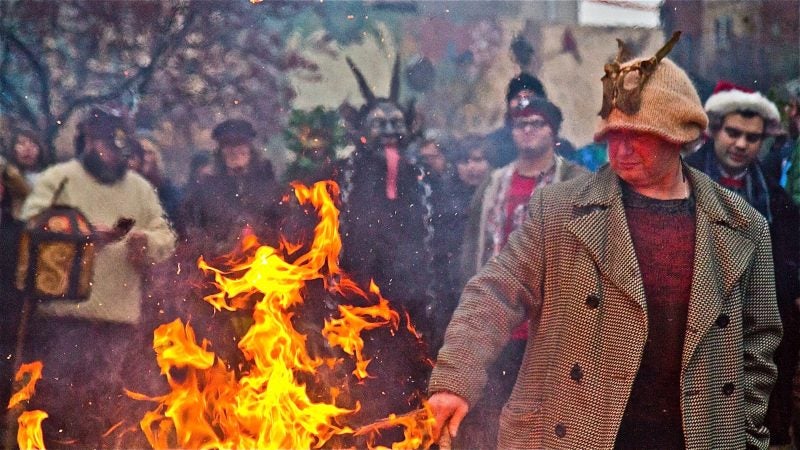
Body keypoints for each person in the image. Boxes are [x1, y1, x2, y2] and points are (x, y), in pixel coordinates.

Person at [428, 35, 781, 450]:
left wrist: (746, 431)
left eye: (636, 135)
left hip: (694, 436)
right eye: (613, 134)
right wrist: (455, 379)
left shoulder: (743, 226)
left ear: (679, 136)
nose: (620, 148)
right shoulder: (561, 209)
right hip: (577, 430)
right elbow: (493, 294)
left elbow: (760, 342)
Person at [18, 107, 176, 447]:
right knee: (58, 404)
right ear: (86, 142)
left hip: (117, 319)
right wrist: (81, 235)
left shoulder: (139, 189)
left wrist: (144, 243)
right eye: (101, 143)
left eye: (115, 144)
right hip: (64, 316)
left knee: (107, 408)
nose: (108, 151)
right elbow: (29, 226)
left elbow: (165, 237)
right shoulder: (60, 178)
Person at [454, 96, 587, 449]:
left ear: (554, 130)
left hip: (550, 325)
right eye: (520, 124)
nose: (528, 130)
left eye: (537, 123)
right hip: (499, 326)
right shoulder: (493, 183)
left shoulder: (576, 181)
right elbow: (472, 248)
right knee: (491, 415)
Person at [685, 81, 800, 447]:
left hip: (750, 324)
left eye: (752, 138)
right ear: (714, 129)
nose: (741, 145)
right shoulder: (682, 182)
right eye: (733, 133)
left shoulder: (773, 197)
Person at [180, 119, 282, 258]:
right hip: (220, 267)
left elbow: (280, 224)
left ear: (250, 148)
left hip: (264, 262)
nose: (235, 151)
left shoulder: (268, 184)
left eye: (240, 144)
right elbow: (193, 227)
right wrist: (217, 247)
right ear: (221, 151)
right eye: (228, 145)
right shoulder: (206, 187)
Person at [483, 73, 576, 169]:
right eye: (517, 98)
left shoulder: (562, 148)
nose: (522, 103)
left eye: (528, 98)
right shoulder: (492, 144)